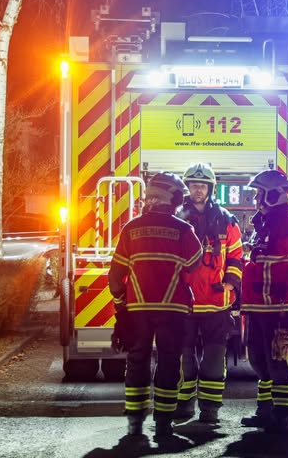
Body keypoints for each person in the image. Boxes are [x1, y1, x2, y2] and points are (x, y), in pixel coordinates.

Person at [108, 172, 202, 444]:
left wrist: (120, 307)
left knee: (137, 361)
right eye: (178, 197)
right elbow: (195, 264)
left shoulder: (130, 229)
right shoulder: (184, 231)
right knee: (169, 362)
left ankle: (135, 423)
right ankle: (163, 423)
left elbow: (116, 276)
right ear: (169, 197)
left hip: (137, 309)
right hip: (173, 310)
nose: (180, 202)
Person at [239, 169, 288, 434]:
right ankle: (266, 412)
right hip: (257, 308)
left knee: (281, 360)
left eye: (259, 194)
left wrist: (287, 294)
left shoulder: (287, 228)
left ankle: (286, 417)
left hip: (279, 310)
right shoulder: (264, 225)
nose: (256, 200)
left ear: (272, 196)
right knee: (260, 361)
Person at [174, 162, 244, 425]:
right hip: (185, 303)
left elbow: (237, 255)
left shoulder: (227, 220)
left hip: (216, 302)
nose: (198, 190)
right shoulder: (177, 219)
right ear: (187, 188)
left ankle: (210, 409)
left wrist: (230, 282)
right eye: (193, 185)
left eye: (202, 186)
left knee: (214, 359)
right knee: (184, 358)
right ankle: (184, 405)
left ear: (210, 189)